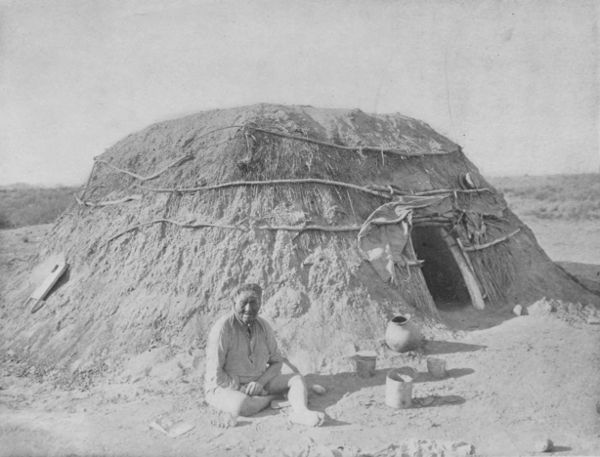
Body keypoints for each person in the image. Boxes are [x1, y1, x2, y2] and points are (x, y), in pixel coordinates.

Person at [204, 283, 325, 427]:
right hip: (224, 387)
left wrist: (260, 383)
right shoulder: (222, 329)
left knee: (296, 379)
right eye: (243, 303)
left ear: (260, 303)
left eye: (253, 303)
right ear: (233, 302)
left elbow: (277, 362)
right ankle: (273, 398)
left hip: (257, 382)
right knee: (240, 405)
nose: (248, 309)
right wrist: (240, 388)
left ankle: (300, 412)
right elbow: (215, 374)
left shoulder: (264, 326)